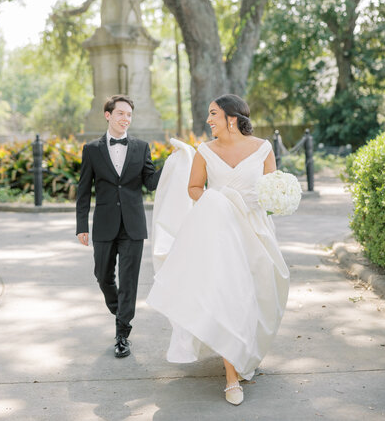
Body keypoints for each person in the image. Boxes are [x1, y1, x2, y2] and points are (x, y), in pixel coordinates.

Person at [147, 94, 290, 405]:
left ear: (232, 118)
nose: (208, 120)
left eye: (213, 114)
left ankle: (244, 349)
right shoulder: (205, 152)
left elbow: (271, 189)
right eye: (208, 114)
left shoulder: (264, 149)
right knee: (229, 293)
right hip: (219, 232)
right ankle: (230, 376)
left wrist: (277, 200)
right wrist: (220, 199)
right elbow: (194, 188)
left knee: (264, 291)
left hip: (254, 230)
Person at [76, 94, 162, 358]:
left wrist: (172, 163)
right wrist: (82, 226)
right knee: (102, 276)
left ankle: (122, 333)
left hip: (133, 226)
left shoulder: (141, 147)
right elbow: (83, 190)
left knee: (129, 281)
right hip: (104, 224)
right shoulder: (92, 149)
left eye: (129, 115)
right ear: (108, 115)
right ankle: (120, 310)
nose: (126, 119)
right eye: (121, 113)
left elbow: (150, 183)